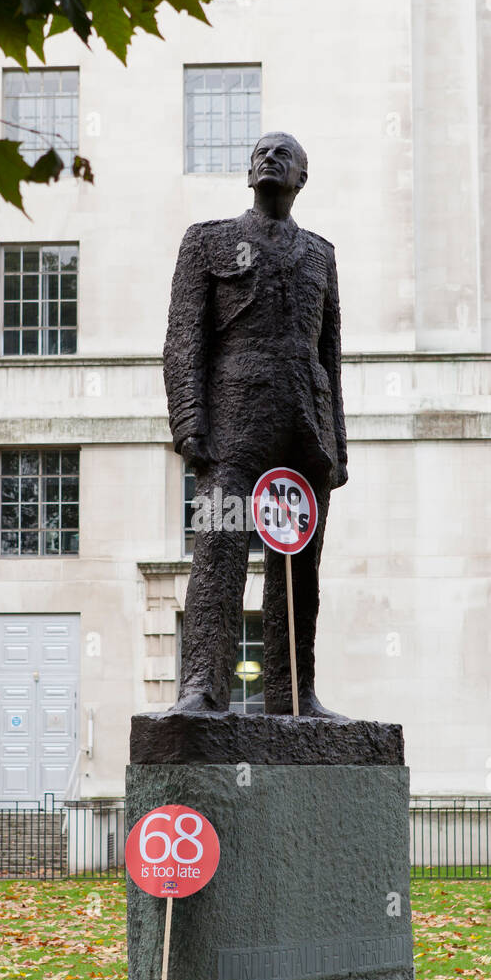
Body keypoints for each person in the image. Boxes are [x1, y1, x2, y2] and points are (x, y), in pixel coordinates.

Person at [163, 131, 347, 716]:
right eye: (262, 154)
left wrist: (337, 444)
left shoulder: (321, 254)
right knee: (219, 550)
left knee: (299, 568)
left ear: (302, 179)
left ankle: (292, 692)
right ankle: (203, 686)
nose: (271, 159)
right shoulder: (207, 242)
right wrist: (190, 422)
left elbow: (329, 353)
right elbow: (183, 338)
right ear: (249, 175)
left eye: (285, 154)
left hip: (305, 429)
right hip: (232, 426)